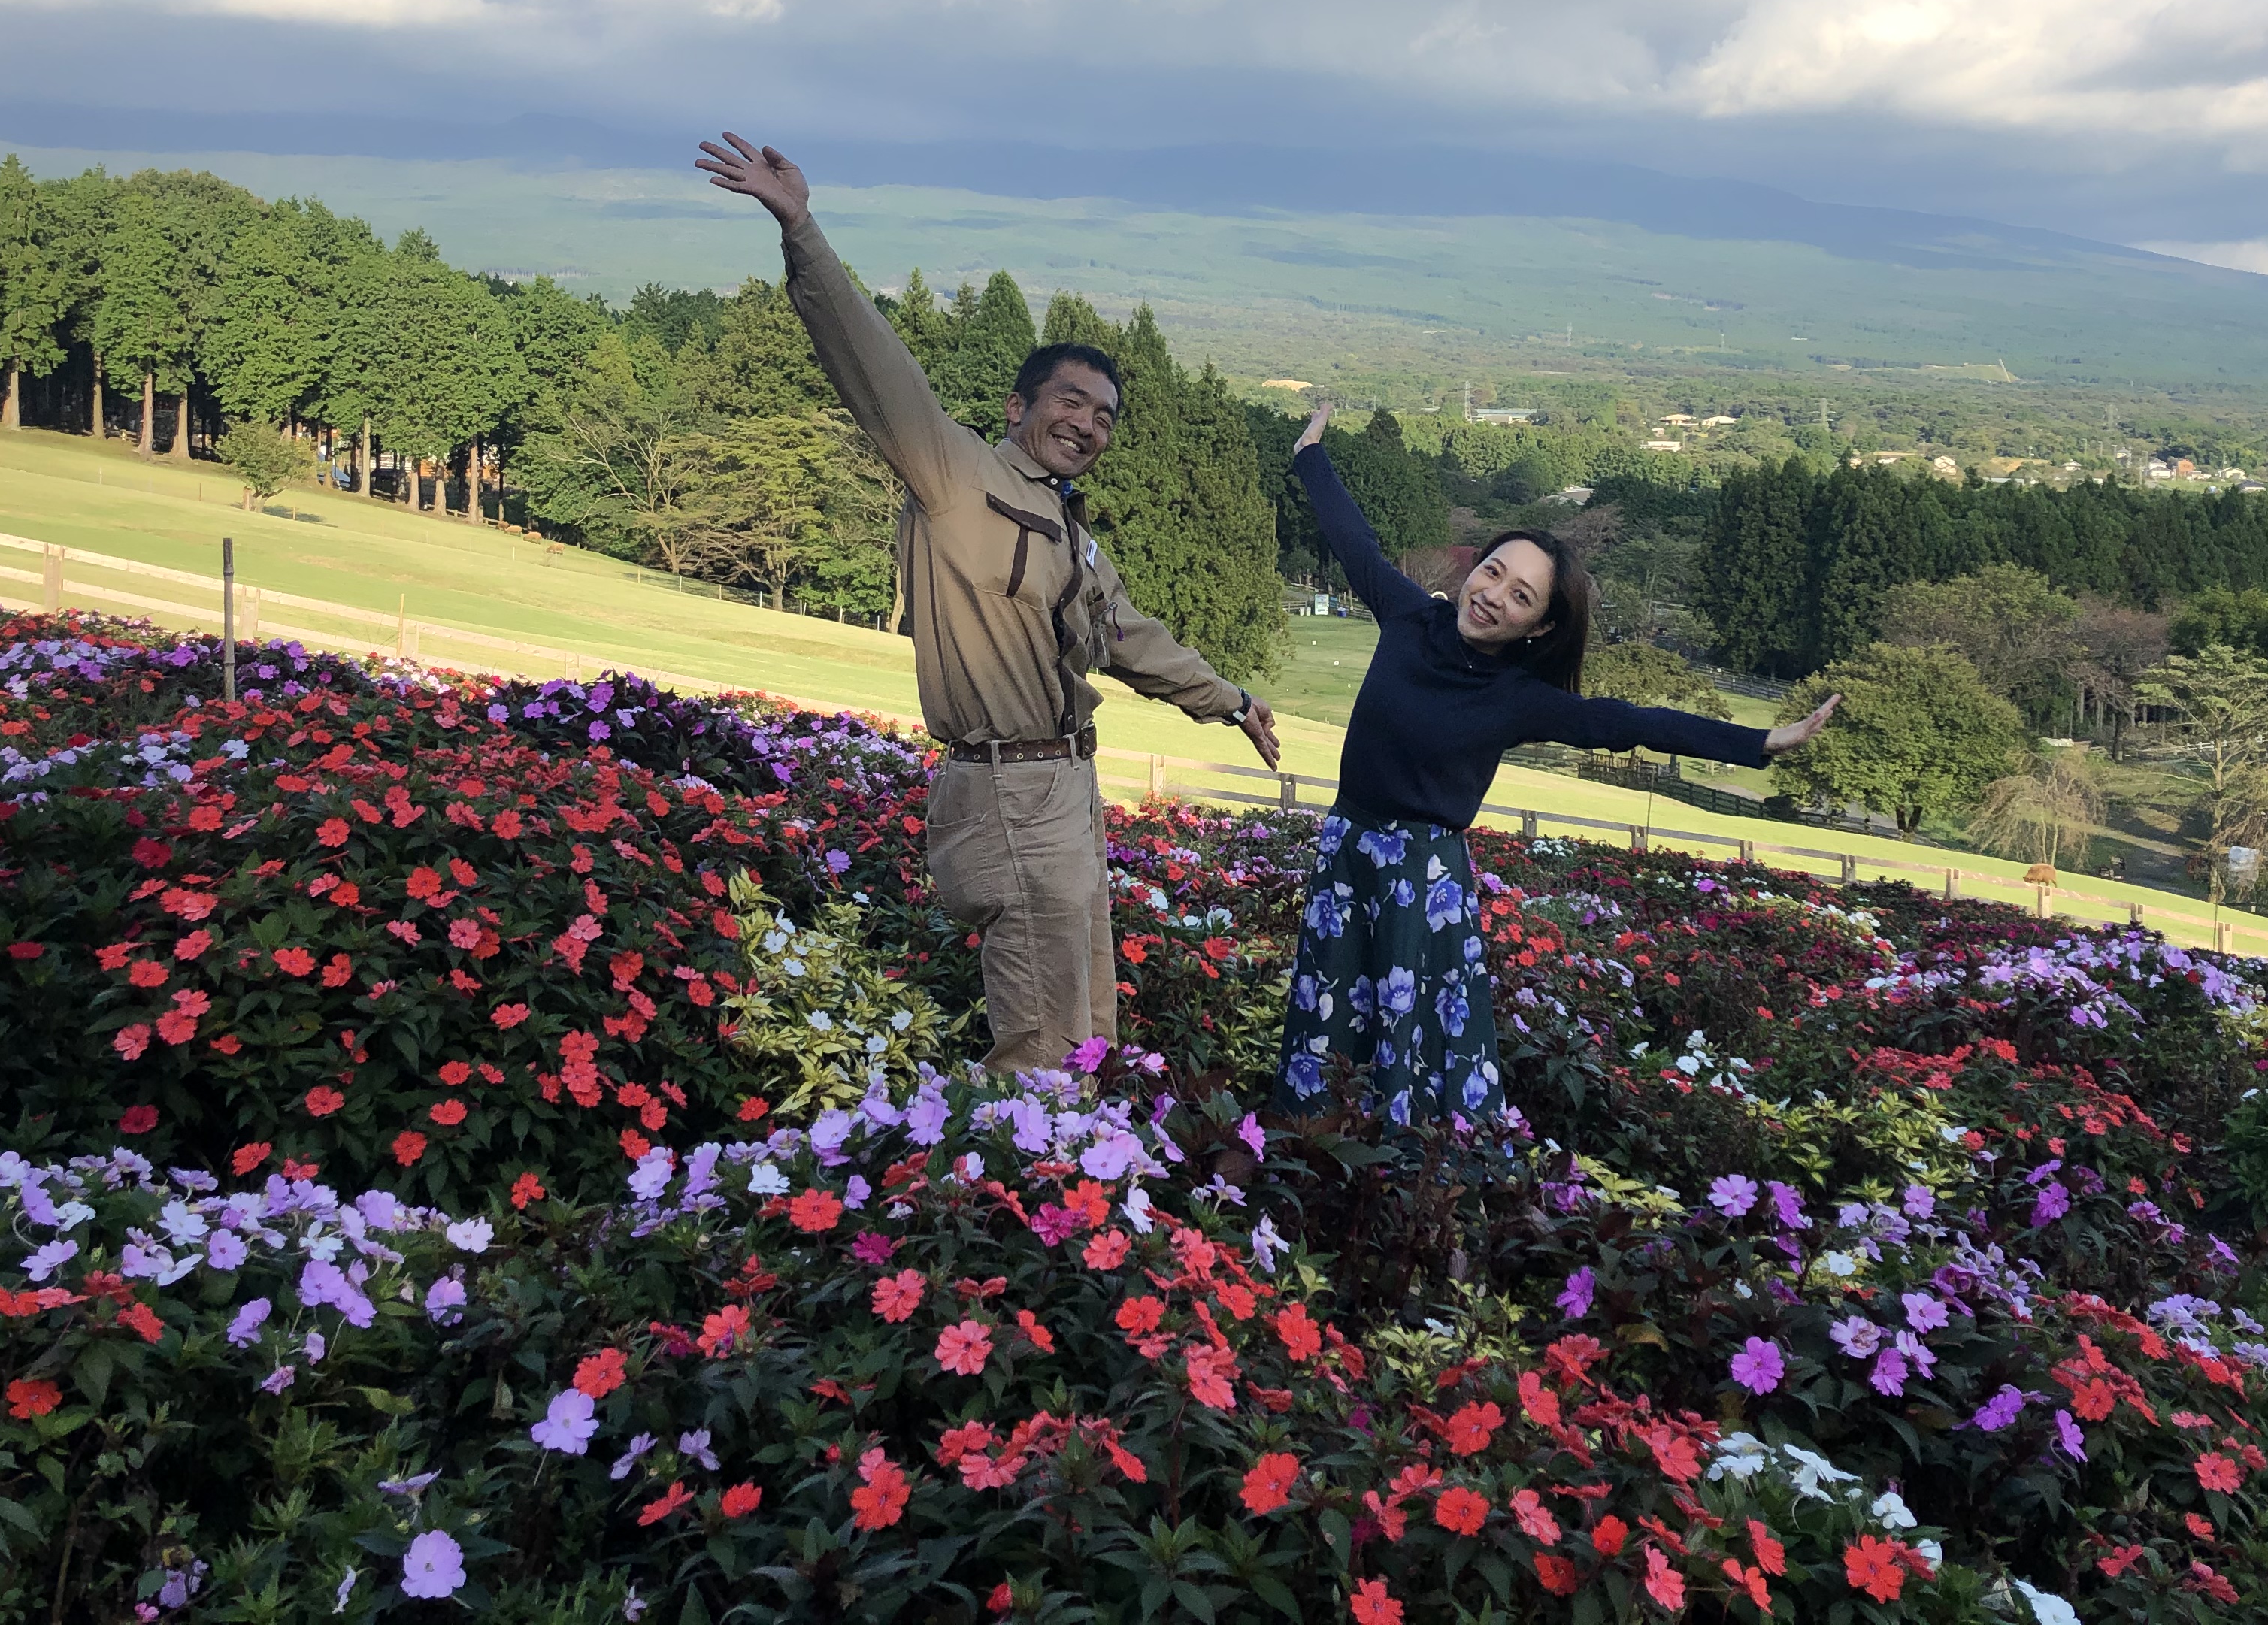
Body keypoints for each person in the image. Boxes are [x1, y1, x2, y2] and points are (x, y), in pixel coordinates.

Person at [695, 132, 1282, 1073]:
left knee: (1086, 1021)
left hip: (1066, 786)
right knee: (1045, 1043)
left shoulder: (1068, 527)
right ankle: (1027, 1160)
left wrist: (1232, 701)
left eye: (1104, 416)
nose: (1087, 424)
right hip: (1007, 790)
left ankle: (1082, 1155)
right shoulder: (958, 478)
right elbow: (873, 366)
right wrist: (802, 230)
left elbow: (1132, 637)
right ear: (1018, 408)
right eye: (1071, 401)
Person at [1276, 404, 1840, 1127]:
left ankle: (1410, 1164)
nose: (1492, 596)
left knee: (1410, 1033)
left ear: (1539, 625)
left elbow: (1633, 724)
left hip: (1422, 879)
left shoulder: (1520, 697)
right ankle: (1311, 1143)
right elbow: (1355, 542)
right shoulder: (1409, 617)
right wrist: (1310, 454)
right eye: (1492, 572)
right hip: (1346, 850)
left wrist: (1760, 742)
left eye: (1520, 596)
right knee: (1330, 1006)